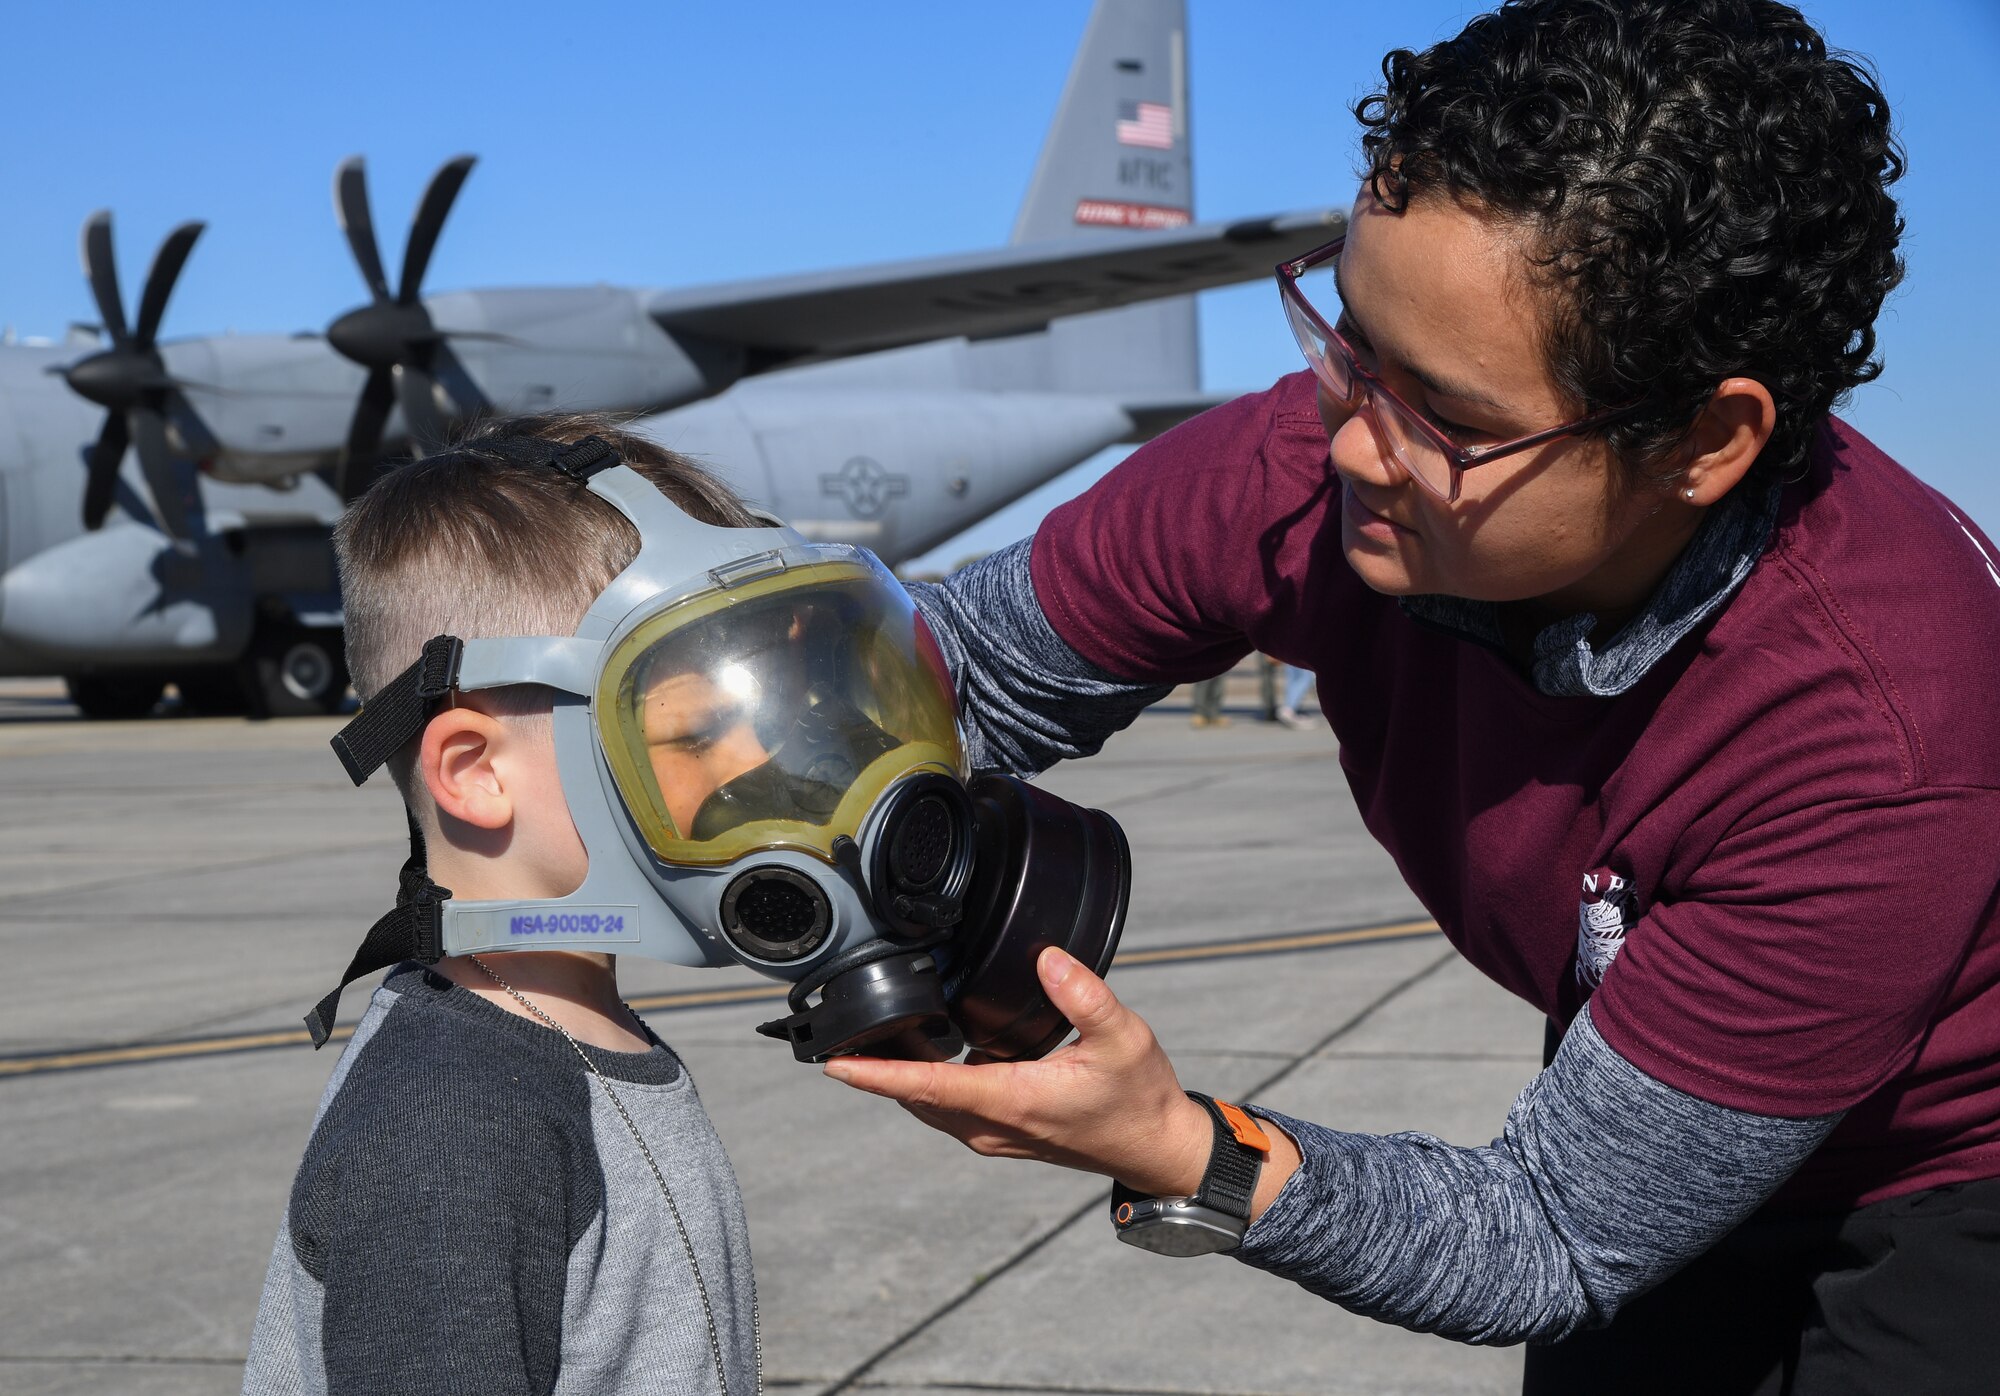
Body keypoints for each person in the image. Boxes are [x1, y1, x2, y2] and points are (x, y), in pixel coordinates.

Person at [830, 1, 2000, 1390]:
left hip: (1943, 1177)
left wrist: (1181, 1149)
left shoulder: (1874, 734)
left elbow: (1555, 1236)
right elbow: (954, 688)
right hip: (1644, 1110)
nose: (1353, 444)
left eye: (1448, 416)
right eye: (1353, 343)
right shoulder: (1297, 473)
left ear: (1706, 440)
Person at [242, 418, 763, 1395]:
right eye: (691, 719)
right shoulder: (454, 1133)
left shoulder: (570, 1036)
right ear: (476, 772)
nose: (748, 761)